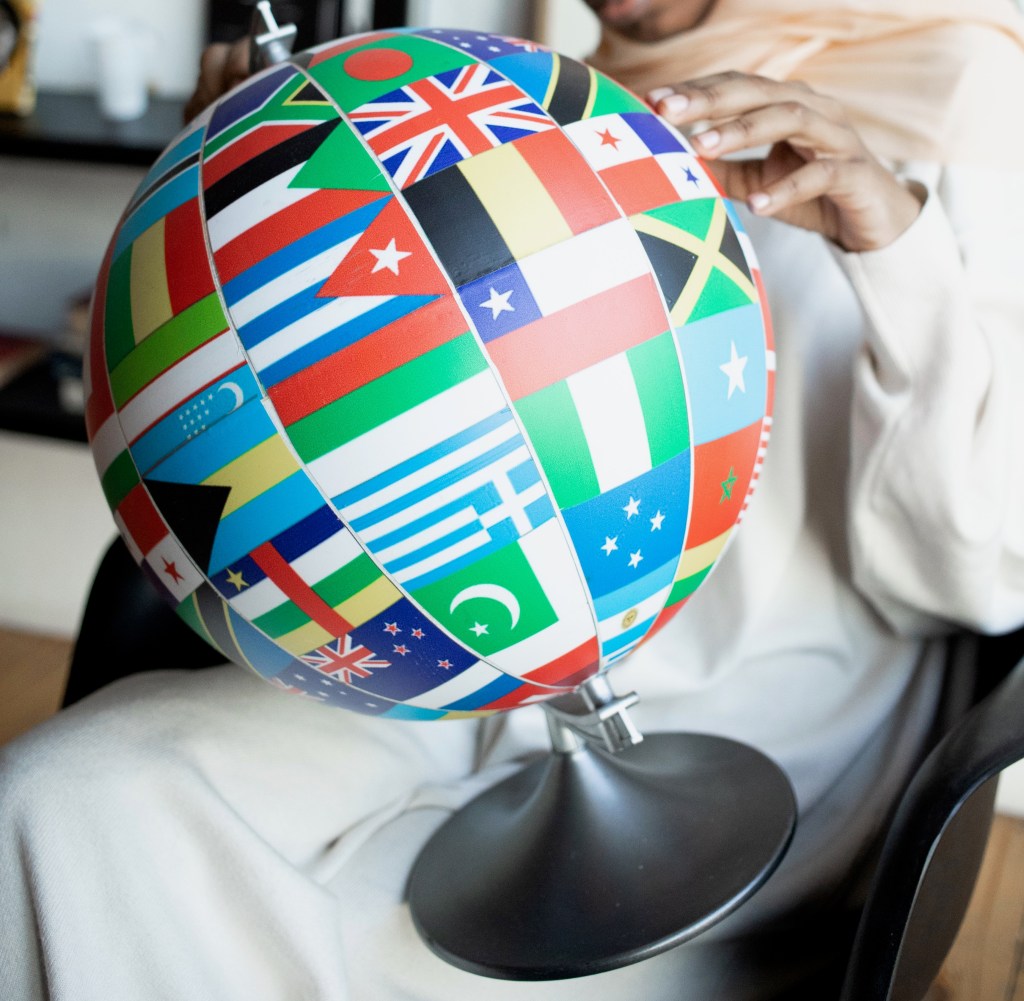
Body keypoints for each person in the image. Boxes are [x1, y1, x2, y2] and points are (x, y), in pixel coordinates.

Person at [3, 1, 1024, 998]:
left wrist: (895, 245)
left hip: (756, 724)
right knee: (65, 802)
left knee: (382, 948)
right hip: (449, 663)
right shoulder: (515, 88)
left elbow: (976, 573)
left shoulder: (965, 98)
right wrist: (235, 196)